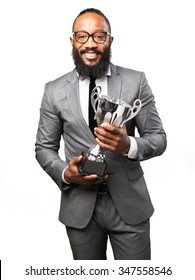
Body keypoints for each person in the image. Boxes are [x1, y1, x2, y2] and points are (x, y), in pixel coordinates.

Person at [35, 8, 167, 260]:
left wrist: (128, 145)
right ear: (73, 41)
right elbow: (43, 148)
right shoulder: (53, 91)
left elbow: (158, 138)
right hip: (79, 208)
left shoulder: (135, 81)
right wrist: (66, 173)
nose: (90, 44)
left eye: (99, 36)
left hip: (130, 207)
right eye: (82, 36)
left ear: (110, 40)